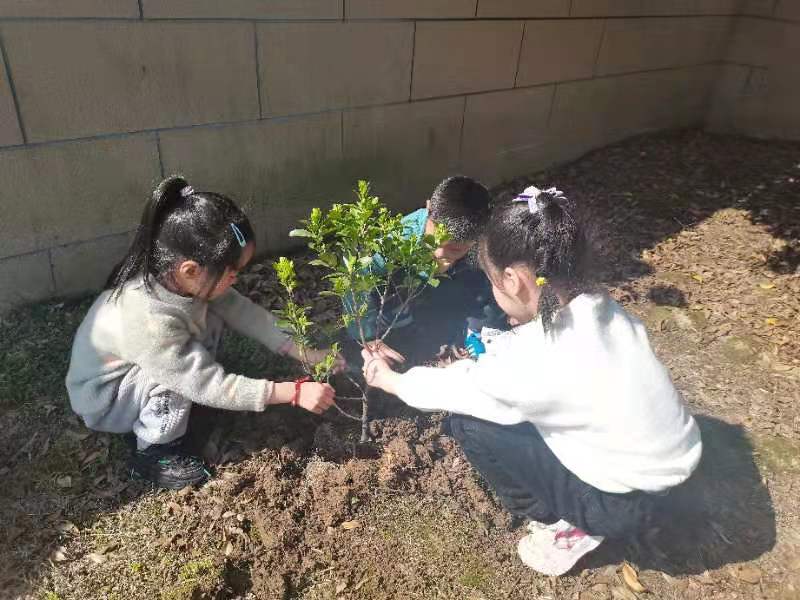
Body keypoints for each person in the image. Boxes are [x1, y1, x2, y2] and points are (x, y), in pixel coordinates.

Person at [360, 185, 702, 576]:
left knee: (468, 424)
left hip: (622, 503)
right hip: (674, 465)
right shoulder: (603, 308)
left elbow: (459, 389)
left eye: (490, 280)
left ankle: (567, 525)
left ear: (512, 279)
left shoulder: (537, 358)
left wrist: (390, 381)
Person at [66, 176, 343, 490]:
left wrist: (301, 350)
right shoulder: (148, 319)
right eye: (232, 272)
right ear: (190, 269)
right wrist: (291, 392)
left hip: (150, 368)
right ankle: (155, 451)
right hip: (108, 398)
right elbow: (205, 383)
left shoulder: (183, 280)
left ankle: (171, 408)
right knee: (175, 379)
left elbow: (245, 313)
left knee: (211, 319)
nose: (236, 279)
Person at [343, 175, 505, 365]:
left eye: (454, 248)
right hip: (406, 295)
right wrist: (368, 336)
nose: (438, 252)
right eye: (433, 239)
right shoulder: (397, 238)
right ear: (429, 207)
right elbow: (356, 277)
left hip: (452, 288)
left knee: (482, 304)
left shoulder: (483, 243)